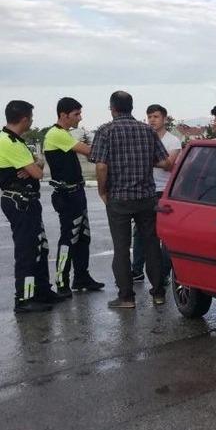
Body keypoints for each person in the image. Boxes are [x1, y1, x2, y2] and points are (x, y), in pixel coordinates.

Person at [90, 91, 171, 309]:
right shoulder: (147, 131)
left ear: (112, 108)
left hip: (119, 198)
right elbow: (164, 162)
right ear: (132, 107)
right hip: (146, 197)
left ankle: (126, 297)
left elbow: (100, 165)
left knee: (122, 248)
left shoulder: (105, 131)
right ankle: (159, 293)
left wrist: (102, 190)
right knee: (152, 244)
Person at [1, 101, 66, 313]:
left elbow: (36, 165)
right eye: (31, 117)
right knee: (27, 250)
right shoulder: (9, 142)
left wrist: (34, 163)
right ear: (24, 119)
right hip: (20, 202)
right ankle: (25, 298)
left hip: (27, 201)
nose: (32, 121)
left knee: (40, 246)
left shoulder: (14, 141)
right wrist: (35, 165)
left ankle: (42, 290)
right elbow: (39, 172)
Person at [43, 97, 105, 295]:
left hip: (76, 191)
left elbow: (88, 154)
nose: (80, 118)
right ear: (64, 115)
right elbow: (90, 152)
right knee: (69, 237)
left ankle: (81, 277)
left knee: (82, 236)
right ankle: (62, 281)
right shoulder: (57, 134)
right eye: (76, 114)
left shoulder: (64, 134)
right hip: (67, 194)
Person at [130, 104, 181, 287]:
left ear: (164, 119)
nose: (152, 120)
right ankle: (136, 271)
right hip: (146, 191)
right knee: (140, 233)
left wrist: (145, 159)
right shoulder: (144, 138)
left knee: (164, 236)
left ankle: (163, 273)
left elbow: (169, 164)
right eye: (149, 116)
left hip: (165, 192)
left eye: (156, 116)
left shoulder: (173, 141)